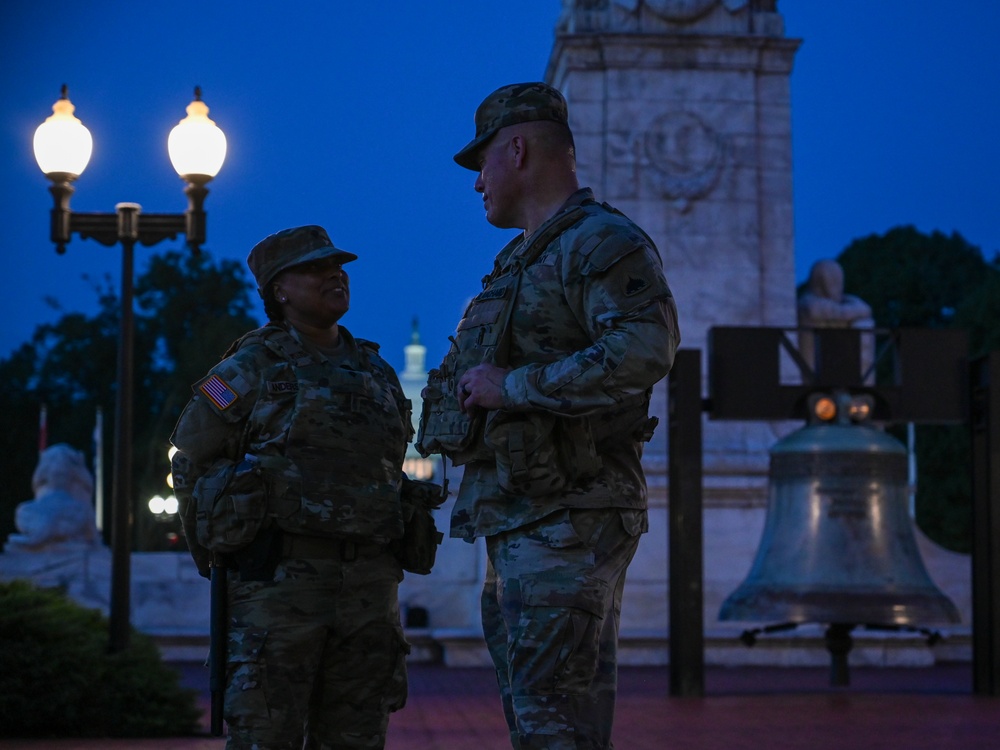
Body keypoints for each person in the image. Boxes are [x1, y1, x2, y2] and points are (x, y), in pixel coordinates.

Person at [417, 82, 681, 749]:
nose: (477, 183)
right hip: (524, 512)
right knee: (552, 713)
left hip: (567, 514)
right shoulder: (526, 257)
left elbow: (645, 348)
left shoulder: (598, 242)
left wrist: (517, 387)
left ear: (517, 149)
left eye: (482, 163)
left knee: (549, 714)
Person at [170, 225, 412, 749]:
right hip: (276, 588)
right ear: (279, 289)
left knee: (358, 735)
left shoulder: (377, 372)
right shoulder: (246, 368)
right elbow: (192, 462)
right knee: (266, 734)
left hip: (369, 587)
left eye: (339, 266)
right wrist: (216, 552)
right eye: (316, 268)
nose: (335, 275)